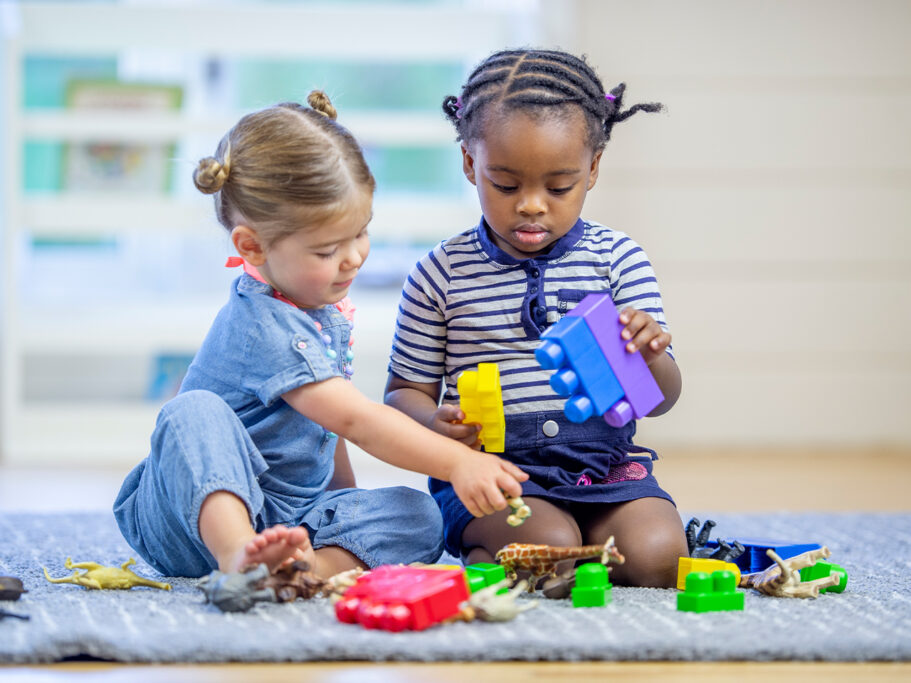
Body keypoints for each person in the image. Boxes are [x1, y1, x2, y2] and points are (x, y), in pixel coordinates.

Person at [114, 91, 527, 580]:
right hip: (189, 517)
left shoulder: (318, 310)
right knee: (192, 410)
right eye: (329, 248)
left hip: (288, 518)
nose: (354, 257)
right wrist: (458, 462)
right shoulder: (262, 323)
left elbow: (328, 430)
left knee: (422, 515)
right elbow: (356, 420)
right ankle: (239, 558)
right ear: (252, 245)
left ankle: (305, 567)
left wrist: (344, 510)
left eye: (361, 232)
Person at [384, 49, 688, 588]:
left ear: (592, 170)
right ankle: (503, 546)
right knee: (550, 549)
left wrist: (650, 356)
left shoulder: (618, 259)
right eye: (506, 185)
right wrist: (436, 426)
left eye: (558, 186)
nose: (531, 205)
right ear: (469, 164)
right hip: (493, 474)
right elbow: (403, 394)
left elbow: (660, 400)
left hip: (606, 465)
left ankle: (574, 543)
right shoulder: (440, 273)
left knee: (658, 556)